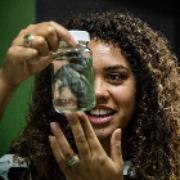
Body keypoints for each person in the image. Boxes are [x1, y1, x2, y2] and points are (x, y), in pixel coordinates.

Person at [0, 11, 179, 180]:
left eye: (115, 76)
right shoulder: (23, 167)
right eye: (79, 75)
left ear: (142, 88)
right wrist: (6, 81)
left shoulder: (172, 170)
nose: (97, 92)